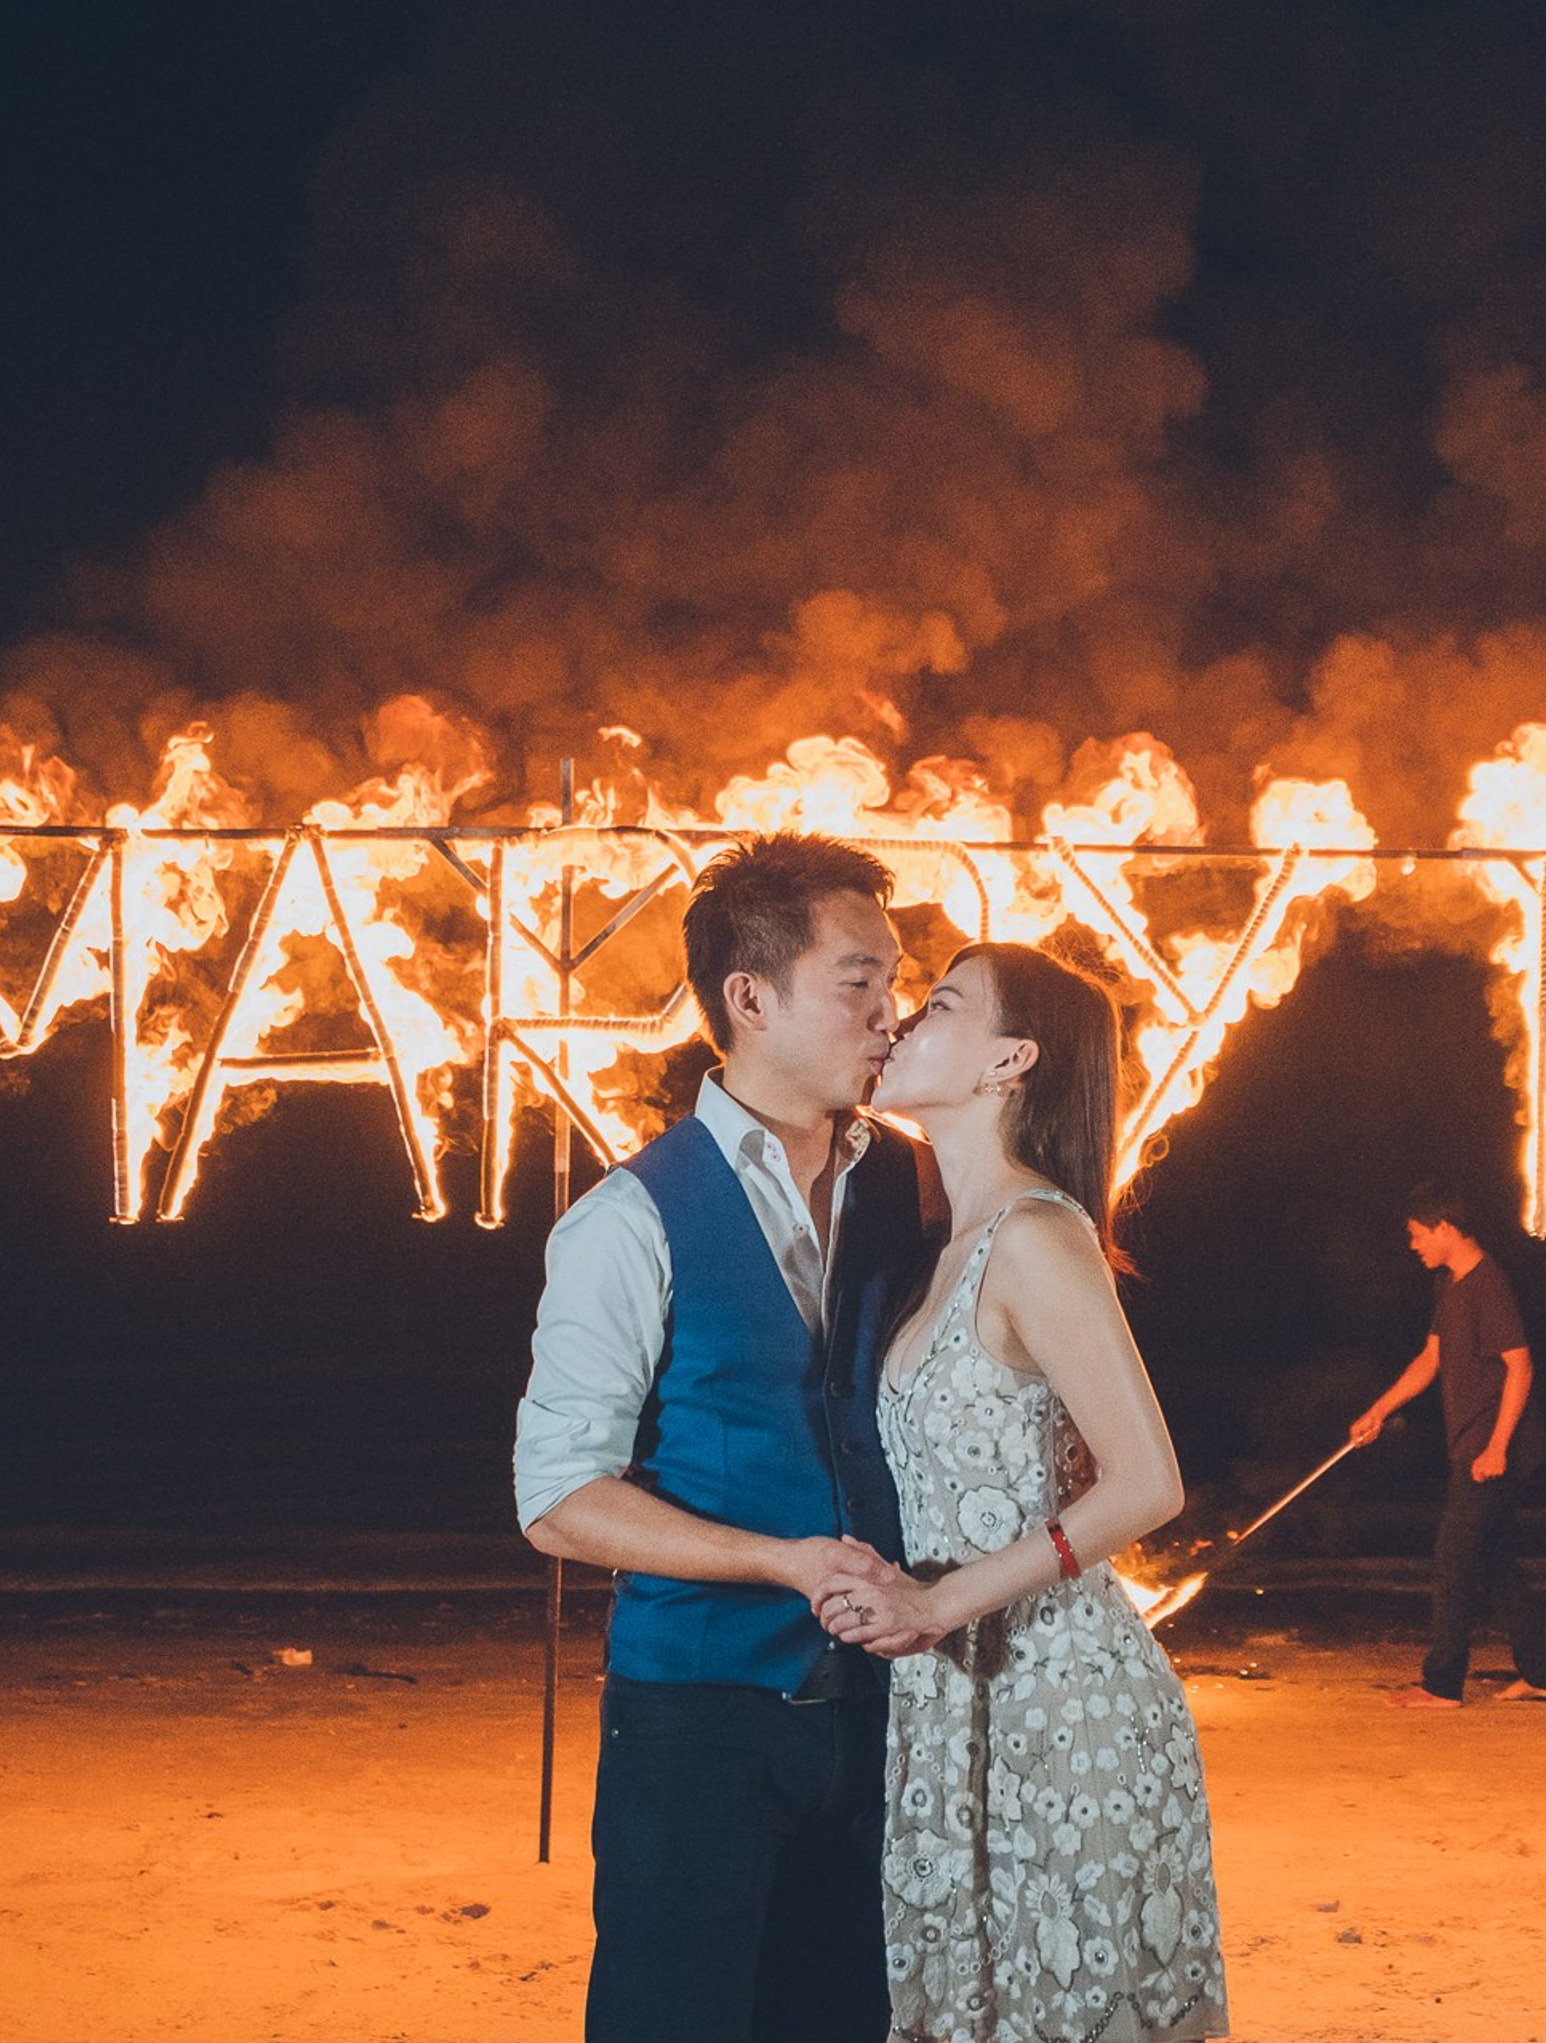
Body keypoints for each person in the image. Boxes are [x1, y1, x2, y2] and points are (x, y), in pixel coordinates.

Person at [513, 831, 929, 2043]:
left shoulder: (915, 1187)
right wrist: (781, 1560)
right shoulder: (627, 1217)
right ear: (750, 998)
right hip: (697, 1712)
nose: (890, 1013)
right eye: (858, 980)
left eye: (896, 981)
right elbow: (557, 1496)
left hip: (881, 1707)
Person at [820, 941, 1229, 2043]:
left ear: (1010, 1059)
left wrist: (934, 1602)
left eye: (941, 1004)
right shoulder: (944, 1246)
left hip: (1060, 1698)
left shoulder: (1037, 1235)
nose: (903, 1022)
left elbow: (1148, 1482)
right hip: (954, 1694)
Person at [1349, 1182, 1546, 1709]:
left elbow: (1521, 1367)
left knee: (1453, 1560)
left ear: (1444, 1227)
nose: (1413, 1245)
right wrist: (1379, 1410)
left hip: (1496, 1447)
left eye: (1417, 1235)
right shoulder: (1448, 1285)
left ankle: (1442, 1684)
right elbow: (1430, 1360)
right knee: (1496, 1558)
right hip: (1474, 1442)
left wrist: (1496, 1447)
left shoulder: (1488, 1285)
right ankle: (1540, 1674)